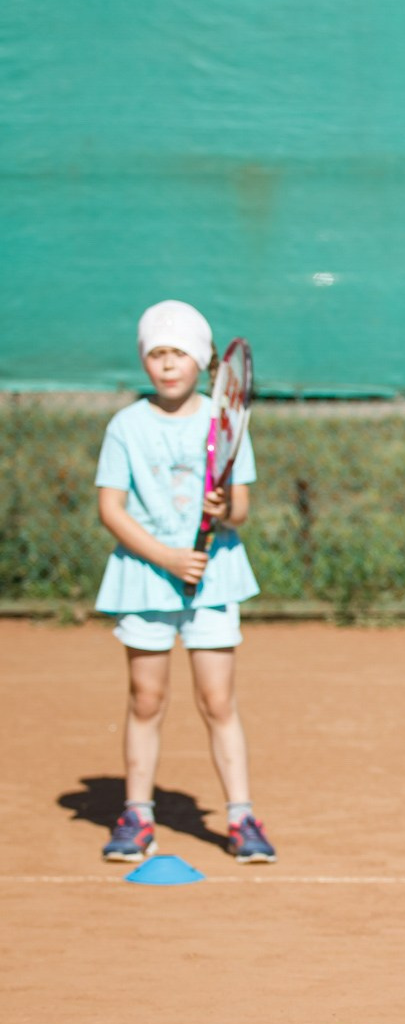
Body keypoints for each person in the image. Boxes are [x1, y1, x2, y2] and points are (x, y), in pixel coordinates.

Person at [94, 300, 276, 865]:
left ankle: (242, 817)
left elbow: (240, 507)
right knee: (146, 699)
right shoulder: (125, 426)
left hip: (214, 580)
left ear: (202, 362)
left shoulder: (224, 422)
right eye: (157, 353)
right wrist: (167, 558)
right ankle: (136, 815)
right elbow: (111, 509)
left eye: (178, 353)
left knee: (217, 700)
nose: (167, 364)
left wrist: (223, 510)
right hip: (146, 580)